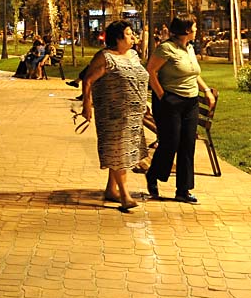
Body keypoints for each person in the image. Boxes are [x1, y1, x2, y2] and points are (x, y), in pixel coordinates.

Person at [145, 16, 216, 204]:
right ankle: (154, 174)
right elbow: (150, 72)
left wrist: (207, 91)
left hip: (190, 103)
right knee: (171, 143)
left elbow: (194, 75)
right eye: (194, 27)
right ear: (186, 30)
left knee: (187, 145)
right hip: (170, 101)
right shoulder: (166, 49)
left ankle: (183, 190)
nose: (196, 30)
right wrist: (162, 96)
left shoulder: (190, 48)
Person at [80, 21, 149, 209]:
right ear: (118, 38)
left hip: (133, 114)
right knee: (119, 151)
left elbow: (139, 78)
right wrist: (87, 105)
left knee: (122, 152)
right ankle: (125, 195)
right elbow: (87, 80)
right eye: (128, 33)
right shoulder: (105, 57)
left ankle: (112, 189)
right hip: (114, 114)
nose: (133, 36)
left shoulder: (133, 55)